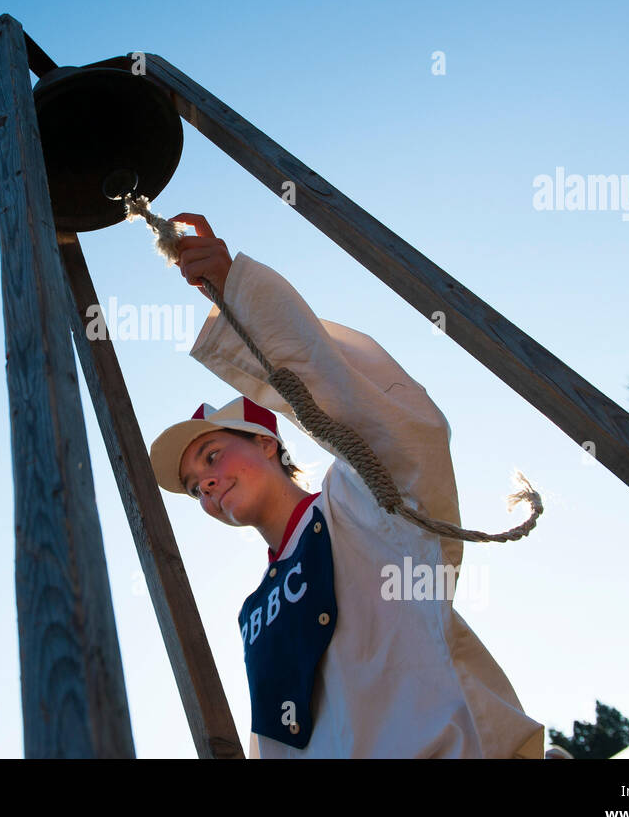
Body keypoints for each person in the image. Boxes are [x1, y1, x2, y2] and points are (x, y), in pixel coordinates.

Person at [148, 213, 544, 759]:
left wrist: (238, 300)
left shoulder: (357, 506)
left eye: (211, 455)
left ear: (267, 443)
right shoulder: (253, 612)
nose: (207, 483)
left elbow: (381, 420)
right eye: (194, 487)